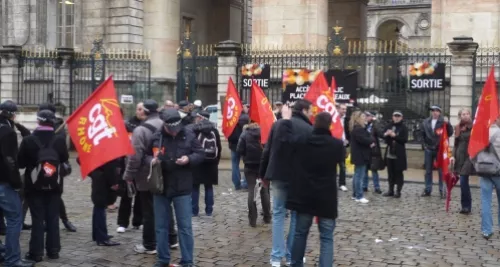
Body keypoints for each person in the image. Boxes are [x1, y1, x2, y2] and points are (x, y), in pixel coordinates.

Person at [279, 109, 343, 267]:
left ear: (314, 122)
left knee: (301, 234)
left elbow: (285, 139)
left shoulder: (303, 141)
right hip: (326, 198)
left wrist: (286, 120)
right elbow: (342, 158)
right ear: (329, 125)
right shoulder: (336, 144)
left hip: (304, 196)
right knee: (327, 238)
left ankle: (296, 264)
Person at [260, 99, 313, 267]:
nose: (312, 113)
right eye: (310, 110)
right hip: (297, 177)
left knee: (278, 214)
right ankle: (291, 255)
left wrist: (263, 175)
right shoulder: (309, 129)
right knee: (295, 216)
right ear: (304, 110)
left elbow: (268, 150)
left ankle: (276, 256)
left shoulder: (279, 125)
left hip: (278, 174)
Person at [149, 108, 205, 267]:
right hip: (161, 186)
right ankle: (162, 259)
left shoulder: (188, 134)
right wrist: (151, 161)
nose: (174, 132)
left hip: (182, 186)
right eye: (170, 129)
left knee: (185, 226)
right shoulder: (156, 136)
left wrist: (189, 158)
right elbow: (144, 155)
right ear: (165, 125)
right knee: (160, 226)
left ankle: (188, 261)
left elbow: (200, 153)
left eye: (176, 129)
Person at [123, 99, 179, 254]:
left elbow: (135, 157)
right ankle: (172, 239)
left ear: (146, 111)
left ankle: (149, 244)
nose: (137, 111)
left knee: (149, 211)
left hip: (148, 175)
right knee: (166, 207)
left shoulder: (140, 130)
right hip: (167, 171)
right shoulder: (165, 125)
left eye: (140, 109)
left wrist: (128, 175)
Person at [18, 109, 69, 262]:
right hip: (54, 185)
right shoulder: (59, 140)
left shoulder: (28, 140)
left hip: (33, 186)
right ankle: (53, 251)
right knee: (53, 218)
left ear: (38, 121)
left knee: (37, 219)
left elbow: (20, 163)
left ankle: (36, 253)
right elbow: (65, 159)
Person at [0, 100, 34, 267]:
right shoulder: (7, 132)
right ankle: (12, 259)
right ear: (12, 114)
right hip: (3, 182)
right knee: (15, 219)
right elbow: (10, 161)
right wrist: (15, 183)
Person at [37, 103, 77, 232]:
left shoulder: (59, 129)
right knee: (39, 195)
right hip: (39, 167)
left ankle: (64, 220)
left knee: (56, 195)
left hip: (54, 167)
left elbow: (62, 152)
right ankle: (42, 221)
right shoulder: (39, 129)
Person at [117, 103, 146, 233]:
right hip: (128, 164)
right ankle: (123, 222)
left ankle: (138, 221)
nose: (140, 112)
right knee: (126, 195)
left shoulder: (147, 124)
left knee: (141, 195)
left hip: (142, 165)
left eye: (143, 109)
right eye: (139, 109)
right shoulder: (128, 124)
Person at [237, 120, 271, 227]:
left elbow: (239, 150)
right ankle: (267, 216)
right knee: (264, 191)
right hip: (263, 166)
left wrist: (246, 156)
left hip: (249, 166)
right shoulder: (265, 133)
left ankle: (252, 219)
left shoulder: (245, 134)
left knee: (251, 190)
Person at [191, 111, 222, 216]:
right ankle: (209, 210)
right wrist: (216, 161)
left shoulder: (195, 130)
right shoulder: (215, 130)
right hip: (211, 163)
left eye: (197, 117)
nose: (196, 118)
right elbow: (219, 147)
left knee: (195, 187)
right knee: (209, 187)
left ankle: (194, 210)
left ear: (201, 118)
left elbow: (192, 147)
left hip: (197, 163)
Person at [420, 105, 453, 198]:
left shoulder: (443, 121)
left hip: (440, 149)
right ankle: (428, 189)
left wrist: (448, 123)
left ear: (440, 112)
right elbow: (421, 134)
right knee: (428, 171)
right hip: (429, 148)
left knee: (441, 171)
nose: (434, 112)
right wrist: (424, 146)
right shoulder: (426, 121)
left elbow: (450, 133)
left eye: (437, 111)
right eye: (433, 110)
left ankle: (442, 190)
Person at [450, 108, 474, 214]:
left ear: (470, 115)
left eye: (467, 114)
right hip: (460, 155)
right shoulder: (457, 127)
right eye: (463, 114)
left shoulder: (474, 126)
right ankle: (464, 206)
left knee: (463, 179)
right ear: (460, 116)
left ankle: (467, 206)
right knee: (463, 182)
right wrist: (453, 156)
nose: (465, 116)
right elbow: (456, 144)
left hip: (470, 156)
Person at [480, 118, 500, 240]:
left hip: (484, 170)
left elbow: (473, 152)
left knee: (485, 201)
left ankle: (487, 230)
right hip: (498, 171)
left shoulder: (481, 133)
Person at [349, 111, 374, 204]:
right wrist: (371, 141)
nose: (365, 118)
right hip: (360, 155)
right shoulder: (359, 129)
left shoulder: (358, 129)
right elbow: (367, 140)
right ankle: (359, 195)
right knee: (359, 176)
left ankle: (355, 194)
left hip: (359, 155)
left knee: (357, 175)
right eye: (363, 117)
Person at [382, 111, 408, 198]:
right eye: (395, 116)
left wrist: (394, 136)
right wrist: (386, 134)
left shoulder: (403, 127)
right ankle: (391, 190)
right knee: (390, 172)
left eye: (398, 116)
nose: (396, 118)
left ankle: (398, 191)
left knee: (398, 172)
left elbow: (404, 140)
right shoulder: (389, 125)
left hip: (399, 153)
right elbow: (383, 136)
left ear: (401, 117)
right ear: (392, 117)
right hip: (390, 152)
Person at [228, 106, 250, 190]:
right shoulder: (248, 118)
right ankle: (245, 183)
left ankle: (237, 184)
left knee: (234, 164)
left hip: (234, 145)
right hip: (245, 145)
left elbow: (229, 134)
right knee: (247, 164)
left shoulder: (232, 120)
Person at [363, 111, 383, 194]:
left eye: (368, 116)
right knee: (365, 169)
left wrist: (376, 123)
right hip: (364, 149)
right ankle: (364, 186)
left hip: (373, 150)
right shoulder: (363, 125)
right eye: (366, 115)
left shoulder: (374, 125)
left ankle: (377, 187)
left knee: (374, 169)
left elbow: (381, 134)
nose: (367, 117)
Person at [337, 103, 349, 192]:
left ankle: (342, 183)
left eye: (345, 109)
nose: (344, 111)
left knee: (342, 165)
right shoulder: (333, 119)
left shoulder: (346, 120)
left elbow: (349, 132)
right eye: (342, 109)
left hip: (343, 145)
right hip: (334, 144)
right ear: (338, 109)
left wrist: (348, 140)